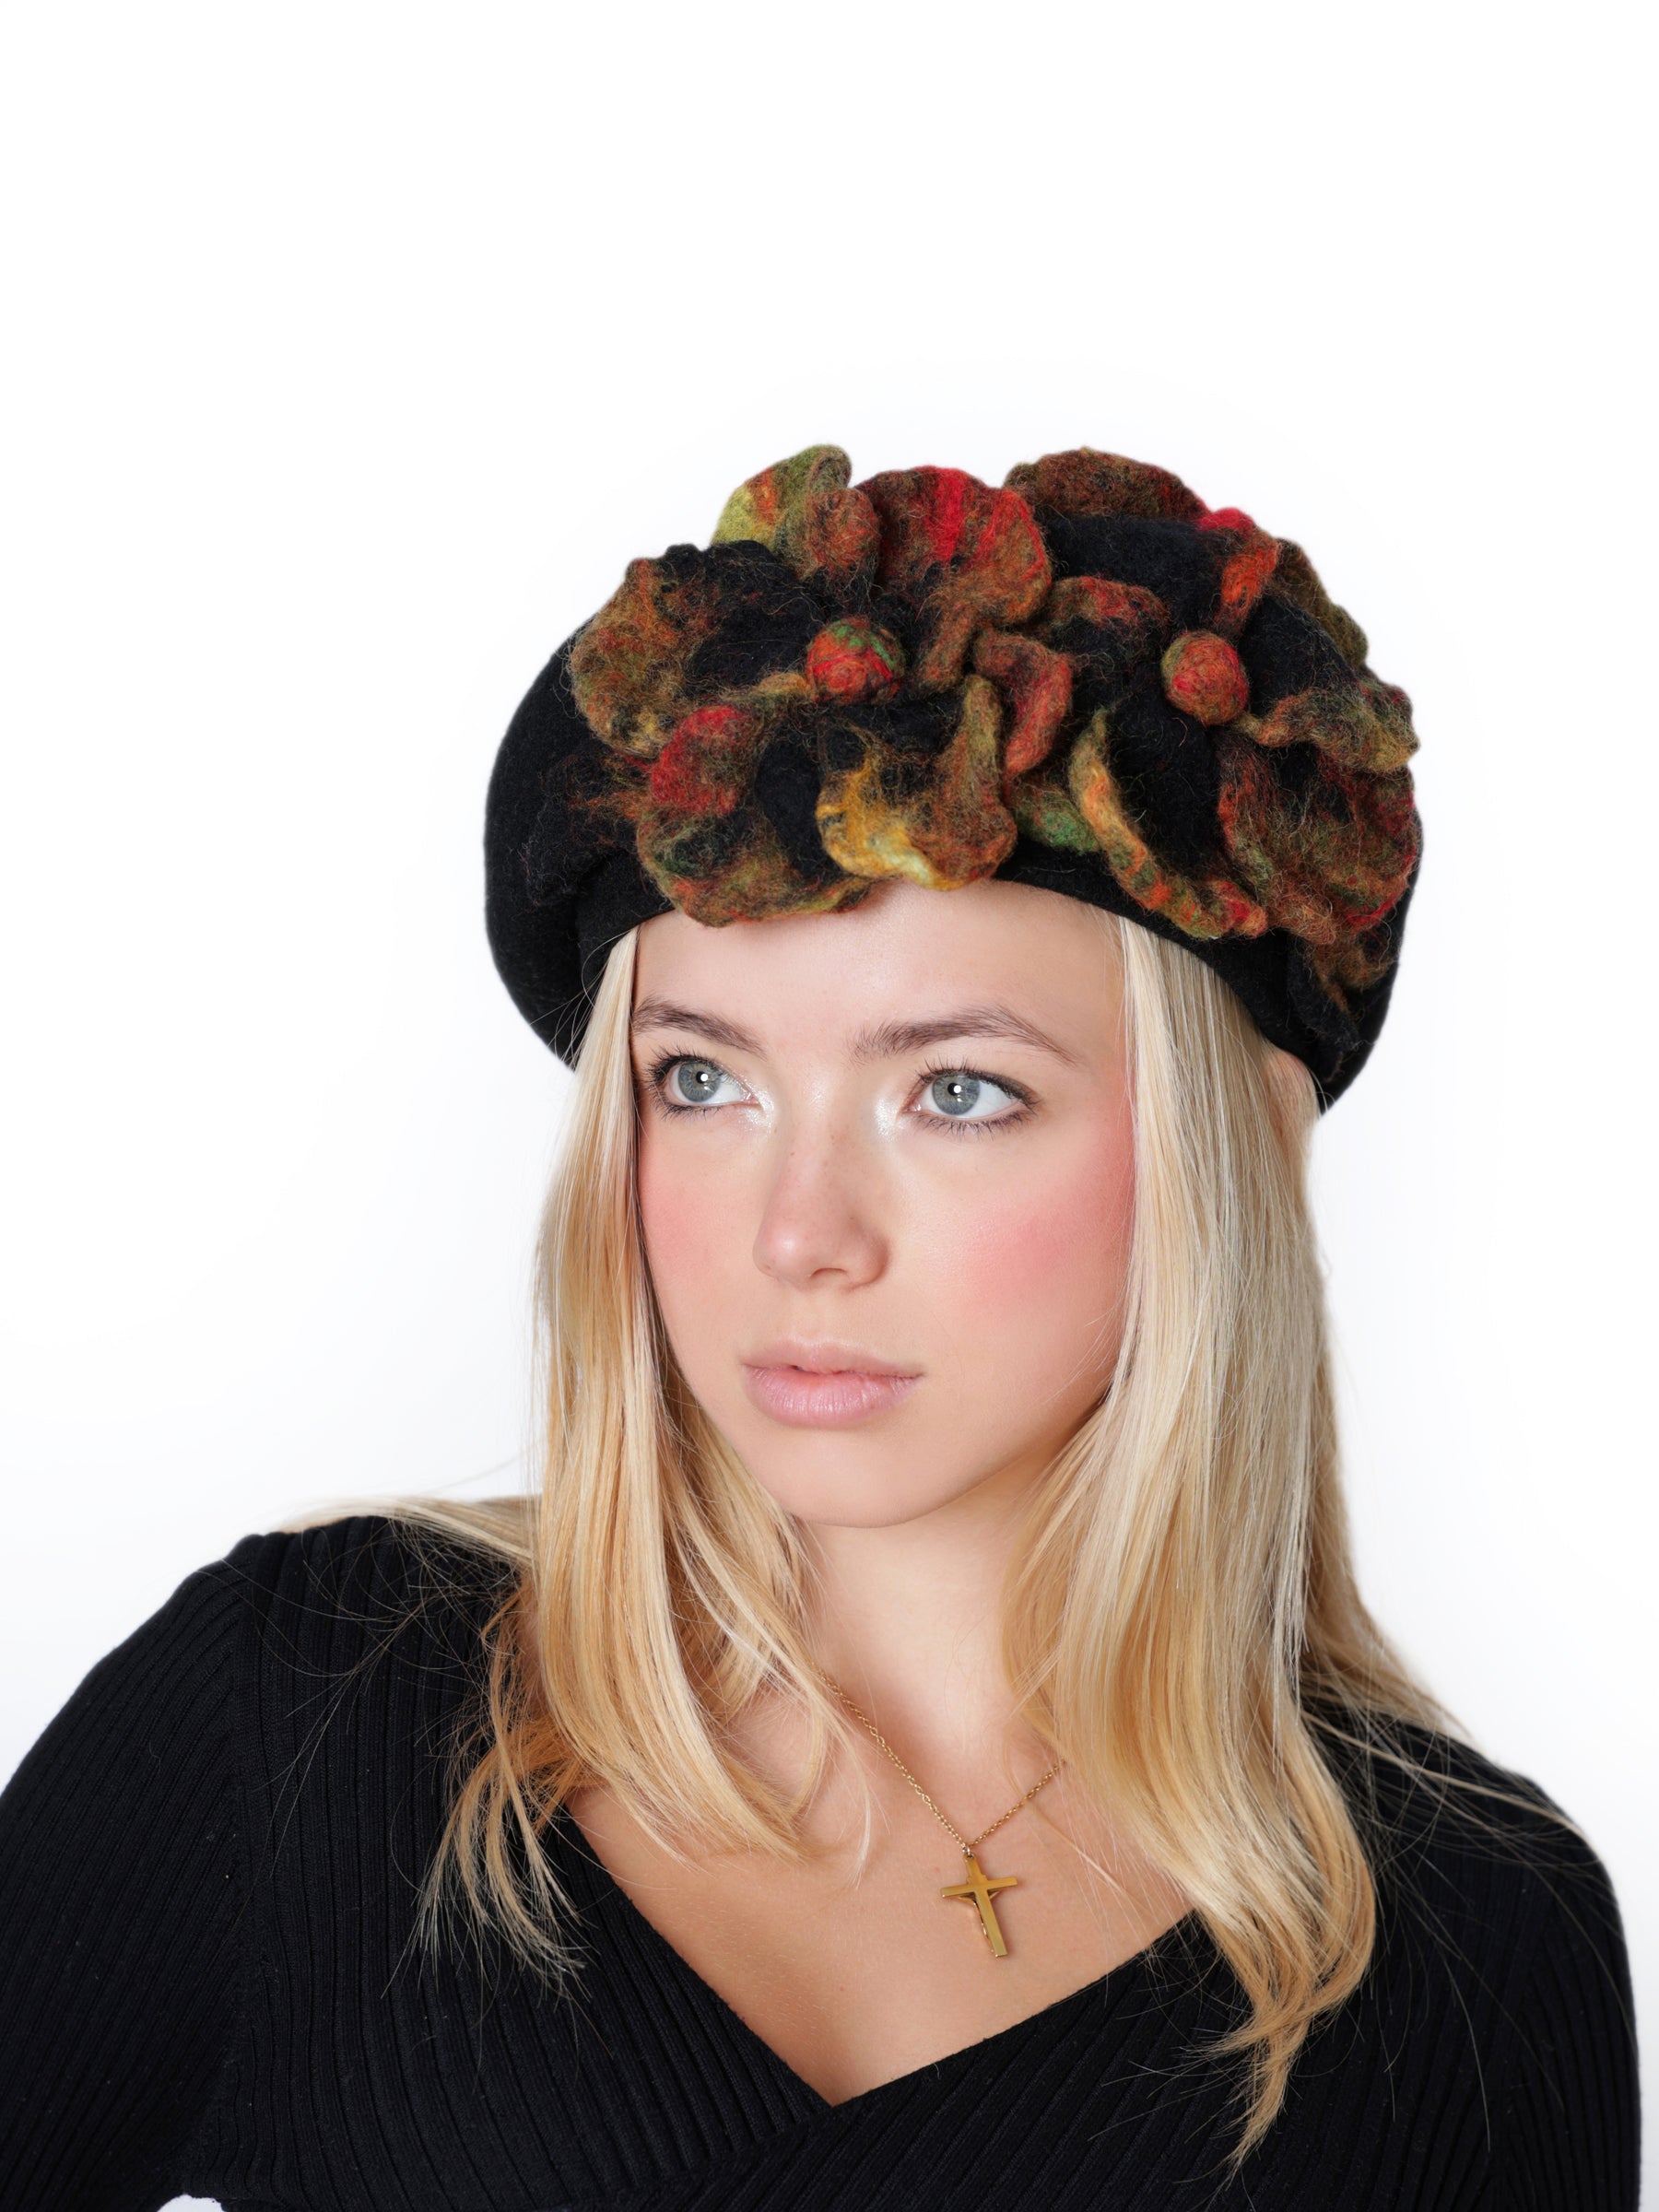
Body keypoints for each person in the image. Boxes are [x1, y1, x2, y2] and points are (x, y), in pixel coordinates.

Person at [0, 445, 1639, 2209]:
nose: (800, 1235)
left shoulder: (1478, 1940)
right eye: (699, 1080)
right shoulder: (306, 1715)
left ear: (1221, 1157)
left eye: (957, 1092)